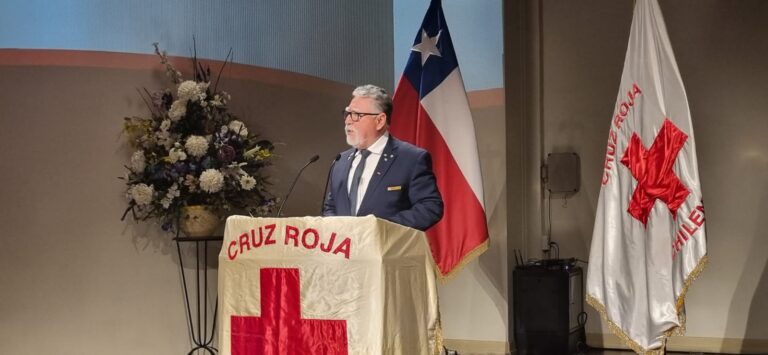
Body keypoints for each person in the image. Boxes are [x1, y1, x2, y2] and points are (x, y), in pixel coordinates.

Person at [322, 84, 443, 231]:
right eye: (347, 113)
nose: (348, 120)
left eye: (356, 115)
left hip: (388, 250)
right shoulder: (340, 161)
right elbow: (331, 206)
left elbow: (430, 207)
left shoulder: (411, 159)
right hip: (345, 251)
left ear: (379, 120)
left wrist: (383, 228)